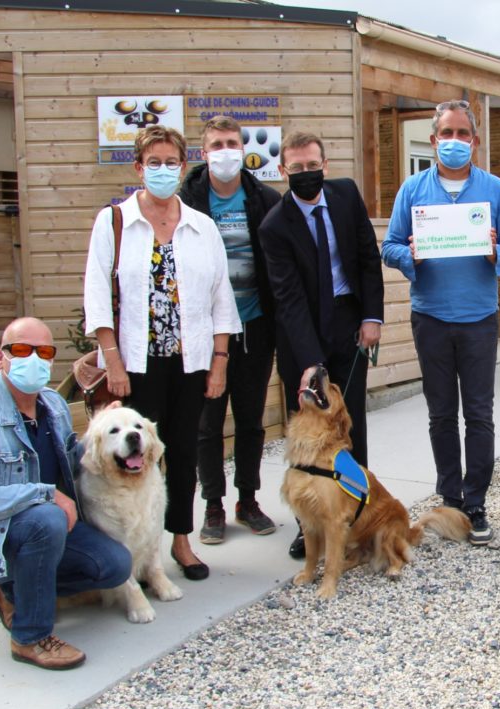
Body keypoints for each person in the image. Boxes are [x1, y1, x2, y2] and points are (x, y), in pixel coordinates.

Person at [84, 125, 240, 580]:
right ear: (138, 167)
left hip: (190, 362)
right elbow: (96, 295)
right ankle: (140, 551)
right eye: (154, 162)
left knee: (184, 453)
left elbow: (220, 299)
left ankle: (181, 541)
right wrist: (112, 361)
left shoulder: (201, 226)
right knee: (137, 458)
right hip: (135, 364)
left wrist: (219, 361)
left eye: (171, 162)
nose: (163, 170)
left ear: (183, 165)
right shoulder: (114, 222)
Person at [0, 317, 132, 670]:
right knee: (47, 516)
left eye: (44, 352)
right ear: (0, 357)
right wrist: (45, 495)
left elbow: (73, 462)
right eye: (22, 350)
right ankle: (30, 636)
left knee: (113, 566)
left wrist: (104, 427)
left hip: (40, 530)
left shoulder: (52, 405)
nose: (34, 359)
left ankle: (12, 590)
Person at [381, 100, 500, 546]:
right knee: (441, 414)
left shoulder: (494, 190)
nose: (455, 142)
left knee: (479, 415)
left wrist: (494, 255)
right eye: (448, 134)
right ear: (434, 140)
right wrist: (411, 255)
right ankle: (449, 496)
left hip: (480, 319)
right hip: (431, 318)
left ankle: (476, 502)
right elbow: (388, 247)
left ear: (475, 142)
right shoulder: (413, 190)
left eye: (464, 134)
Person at [258, 132, 384, 558]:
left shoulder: (346, 195)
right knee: (308, 436)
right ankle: (308, 524)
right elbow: (288, 299)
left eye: (313, 166)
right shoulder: (274, 227)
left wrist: (372, 317)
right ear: (283, 172)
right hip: (302, 336)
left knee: (350, 427)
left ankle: (357, 512)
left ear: (325, 165)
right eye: (296, 168)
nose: (306, 174)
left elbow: (368, 258)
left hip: (350, 327)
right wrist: (311, 363)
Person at [179, 116, 282, 546]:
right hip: (205, 332)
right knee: (207, 423)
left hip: (255, 325)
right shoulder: (186, 202)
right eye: (216, 144)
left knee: (251, 420)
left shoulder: (265, 198)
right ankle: (214, 505)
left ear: (243, 150)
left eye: (231, 143)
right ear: (204, 154)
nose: (225, 151)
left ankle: (247, 499)